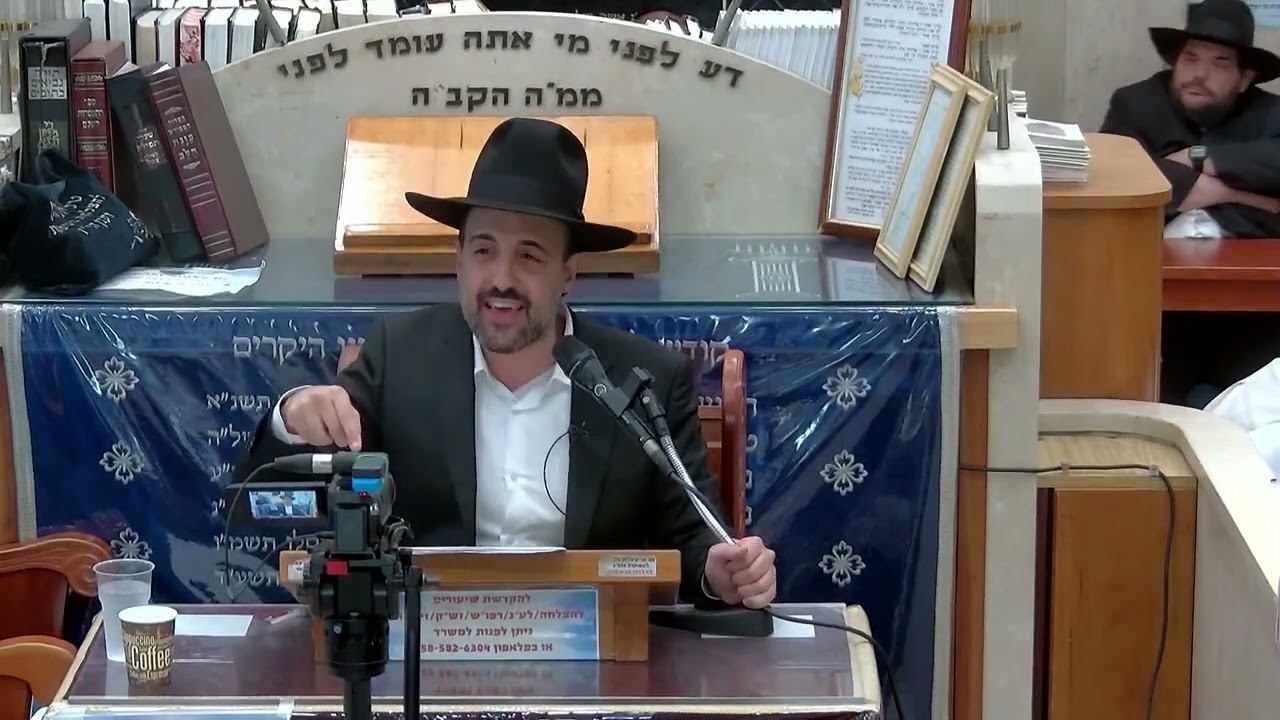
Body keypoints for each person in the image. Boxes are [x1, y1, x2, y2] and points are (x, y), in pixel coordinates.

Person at [235, 117, 776, 609]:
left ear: (568, 273)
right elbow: (270, 502)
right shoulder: (399, 356)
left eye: (529, 257)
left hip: (598, 659)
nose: (501, 279)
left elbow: (696, 540)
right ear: (459, 260)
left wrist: (721, 575)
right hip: (427, 657)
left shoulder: (641, 381)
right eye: (484, 250)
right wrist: (293, 419)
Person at [1100, 0, 1280, 238]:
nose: (1199, 75)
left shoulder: (1270, 112)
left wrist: (1196, 158)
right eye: (1190, 58)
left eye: (1220, 63)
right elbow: (1114, 180)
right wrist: (1237, 194)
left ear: (1244, 79)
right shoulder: (1135, 103)